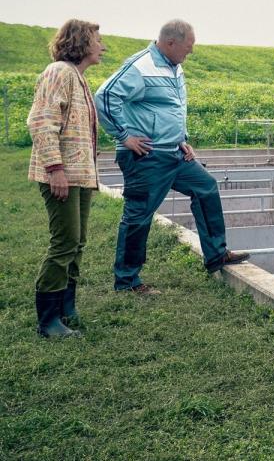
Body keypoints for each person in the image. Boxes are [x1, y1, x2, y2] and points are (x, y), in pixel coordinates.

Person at [94, 20, 248, 295]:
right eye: (188, 48)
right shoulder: (141, 66)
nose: (190, 52)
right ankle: (127, 280)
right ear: (170, 43)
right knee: (139, 214)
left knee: (206, 188)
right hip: (147, 156)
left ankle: (216, 254)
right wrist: (124, 136)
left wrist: (182, 140)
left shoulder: (175, 67)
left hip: (174, 153)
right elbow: (105, 96)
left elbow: (172, 108)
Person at [27, 19, 106, 337]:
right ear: (82, 41)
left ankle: (65, 308)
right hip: (62, 175)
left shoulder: (78, 77)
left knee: (77, 243)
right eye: (98, 40)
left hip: (80, 176)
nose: (103, 46)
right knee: (64, 244)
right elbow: (40, 121)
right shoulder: (59, 71)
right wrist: (55, 170)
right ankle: (48, 321)